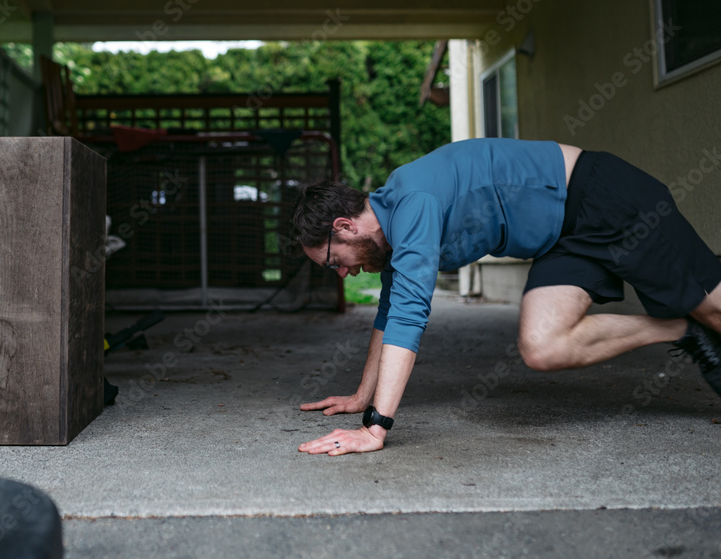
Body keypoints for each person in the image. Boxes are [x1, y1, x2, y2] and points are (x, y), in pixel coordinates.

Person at [290, 137, 721, 456]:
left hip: (603, 196)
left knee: (713, 307)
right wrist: (362, 396)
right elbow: (389, 314)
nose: (342, 273)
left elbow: (408, 317)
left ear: (345, 226)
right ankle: (680, 329)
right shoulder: (391, 230)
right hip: (565, 239)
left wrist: (375, 428)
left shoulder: (413, 203)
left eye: (334, 261)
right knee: (543, 346)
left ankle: (698, 317)